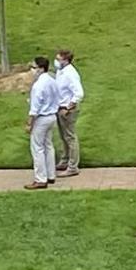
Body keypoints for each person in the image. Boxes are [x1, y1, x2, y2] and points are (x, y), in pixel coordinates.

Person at [25, 55, 60, 188]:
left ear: (40, 68)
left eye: (33, 67)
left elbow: (34, 109)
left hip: (42, 119)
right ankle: (51, 175)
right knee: (48, 145)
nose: (32, 70)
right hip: (52, 116)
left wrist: (29, 124)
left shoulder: (38, 86)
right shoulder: (51, 80)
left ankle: (40, 179)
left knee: (37, 148)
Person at [53, 48, 85, 177]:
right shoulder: (61, 71)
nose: (56, 61)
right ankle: (65, 160)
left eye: (59, 59)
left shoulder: (70, 73)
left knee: (70, 137)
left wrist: (68, 108)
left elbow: (79, 93)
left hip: (67, 110)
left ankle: (72, 166)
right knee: (63, 136)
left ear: (66, 60)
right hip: (60, 108)